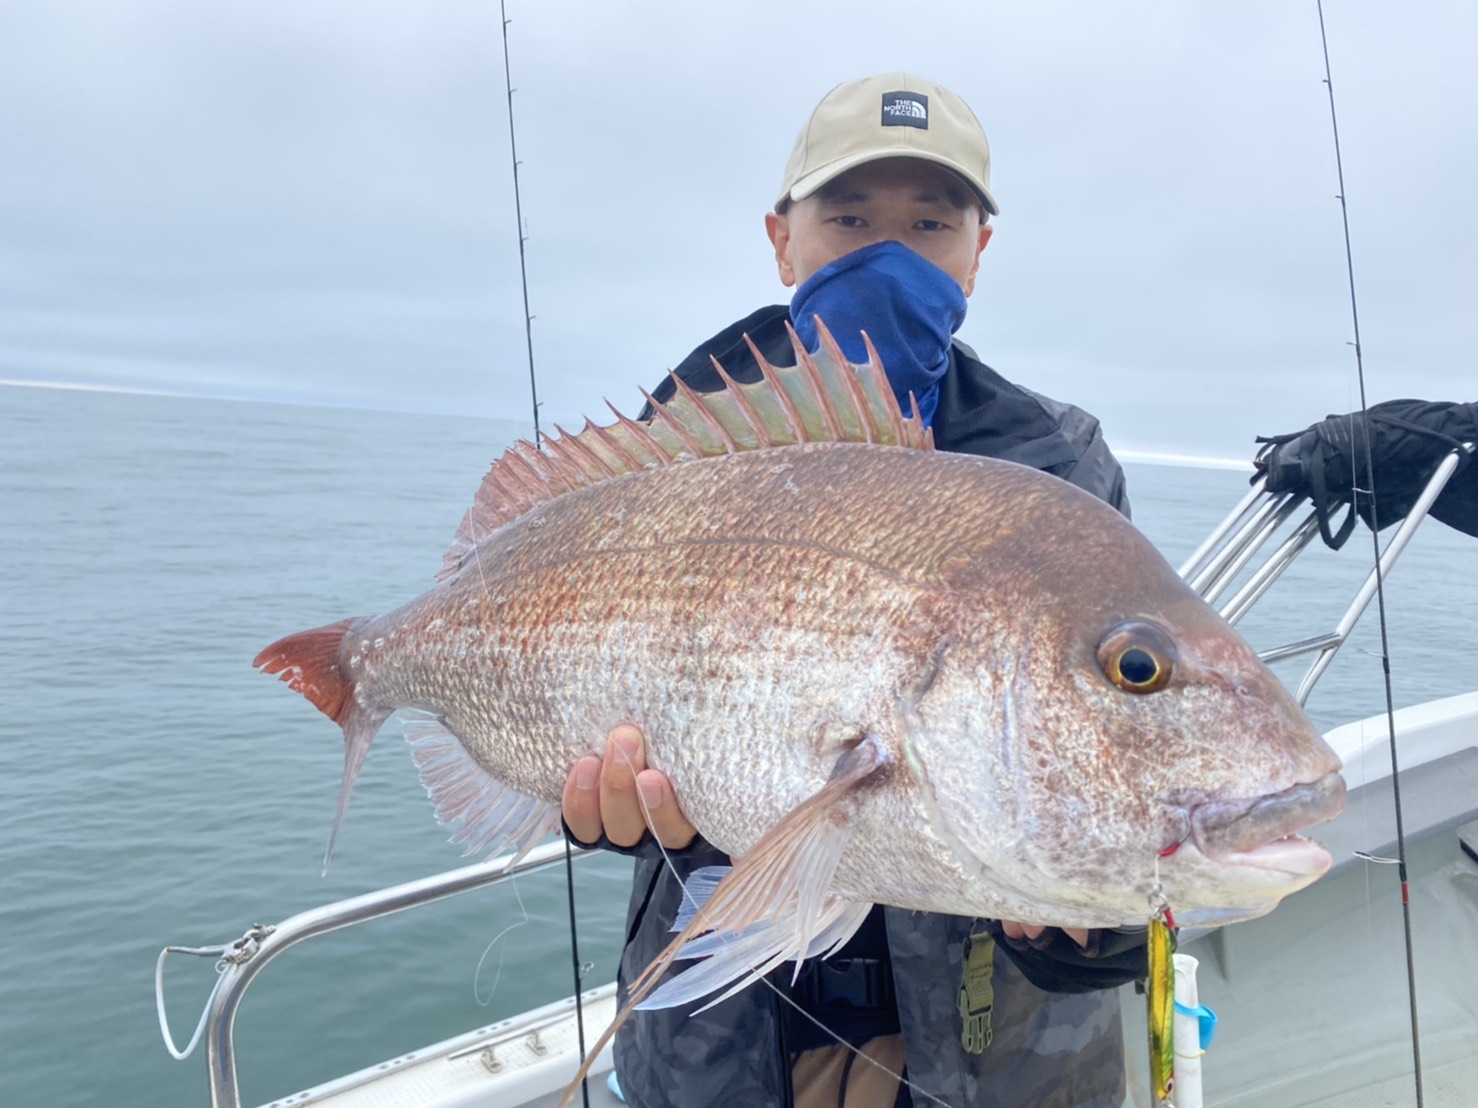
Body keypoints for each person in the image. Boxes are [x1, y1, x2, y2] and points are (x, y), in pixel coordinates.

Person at [561, 73, 1147, 1108]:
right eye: (848, 217)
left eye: (929, 221)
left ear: (978, 253)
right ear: (781, 239)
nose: (891, 250)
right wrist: (598, 796)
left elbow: (1097, 744)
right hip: (725, 1049)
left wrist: (1088, 917)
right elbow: (589, 693)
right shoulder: (669, 462)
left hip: (984, 1052)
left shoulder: (1057, 465)